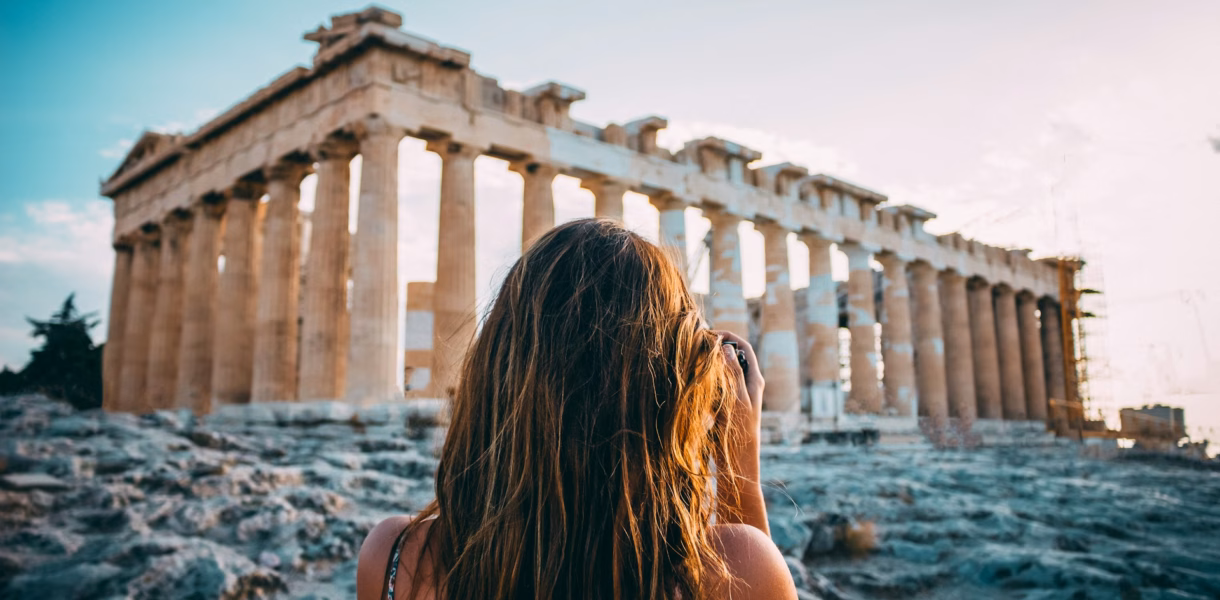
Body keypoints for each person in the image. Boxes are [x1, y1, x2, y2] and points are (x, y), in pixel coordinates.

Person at [357, 219, 797, 599]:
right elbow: (745, 570)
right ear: (674, 386)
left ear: (495, 365)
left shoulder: (392, 556)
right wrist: (739, 459)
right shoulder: (739, 568)